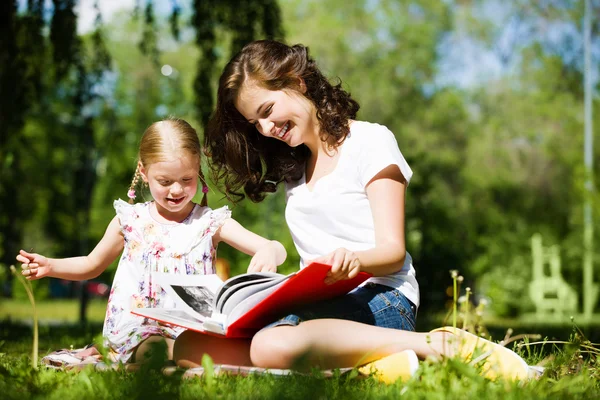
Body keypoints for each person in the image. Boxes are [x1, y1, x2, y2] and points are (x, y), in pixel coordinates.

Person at [173, 40, 531, 382]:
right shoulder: (294, 174)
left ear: (297, 83)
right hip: (320, 307)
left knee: (271, 345)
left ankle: (436, 345)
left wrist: (353, 261)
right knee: (191, 348)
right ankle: (374, 366)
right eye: (255, 124)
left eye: (267, 111)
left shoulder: (370, 142)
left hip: (383, 298)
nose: (266, 128)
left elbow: (393, 253)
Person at [16, 117, 287, 364]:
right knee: (157, 350)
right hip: (140, 330)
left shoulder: (210, 223)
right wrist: (50, 266)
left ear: (198, 170)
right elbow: (92, 264)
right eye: (165, 181)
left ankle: (206, 360)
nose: (177, 189)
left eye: (186, 179)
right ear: (144, 173)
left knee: (203, 347)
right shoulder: (129, 220)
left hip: (194, 329)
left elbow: (274, 247)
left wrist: (269, 252)